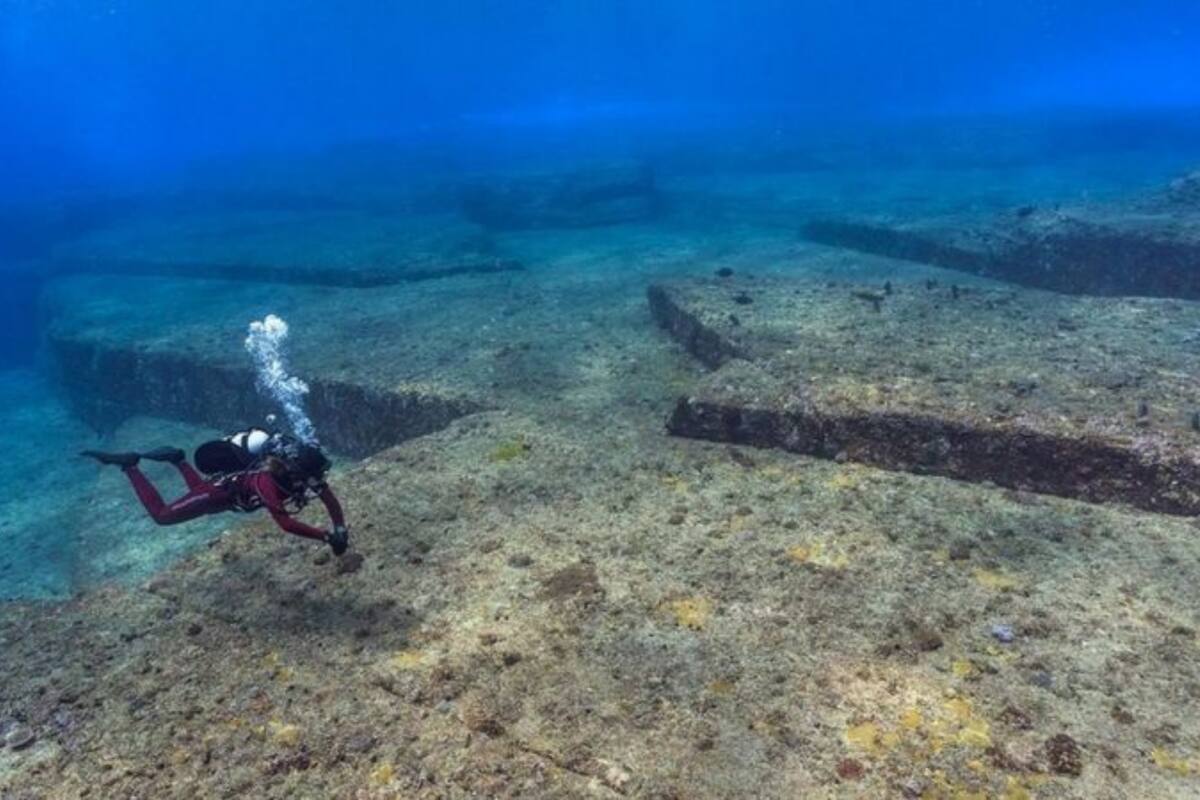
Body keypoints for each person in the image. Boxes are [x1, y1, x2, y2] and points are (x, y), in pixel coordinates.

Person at [81, 429, 350, 555]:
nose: (317, 481)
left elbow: (330, 499)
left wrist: (340, 530)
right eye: (314, 476)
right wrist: (326, 536)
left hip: (224, 495)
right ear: (296, 470)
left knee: (201, 496)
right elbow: (285, 523)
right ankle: (131, 466)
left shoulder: (303, 476)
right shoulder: (267, 482)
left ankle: (178, 459)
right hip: (219, 493)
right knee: (163, 516)